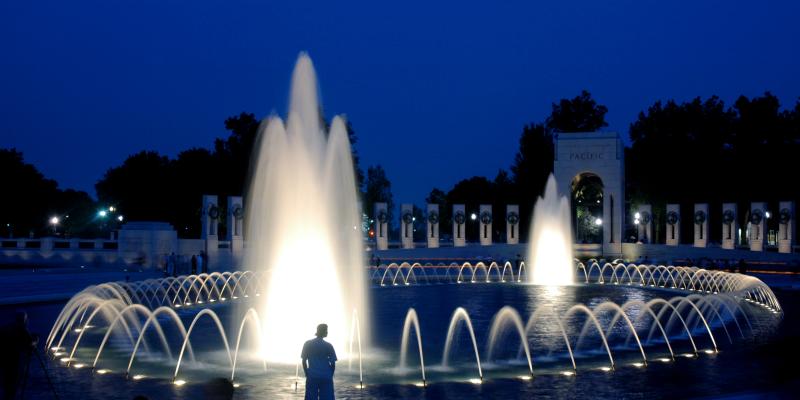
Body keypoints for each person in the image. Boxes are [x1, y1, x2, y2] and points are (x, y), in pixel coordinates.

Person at [301, 323, 337, 400]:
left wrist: (307, 373)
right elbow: (333, 363)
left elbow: (304, 361)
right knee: (327, 397)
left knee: (310, 398)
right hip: (326, 376)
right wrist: (330, 374)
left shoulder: (308, 344)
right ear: (323, 331)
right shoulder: (328, 346)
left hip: (312, 375)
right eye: (326, 330)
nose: (327, 332)